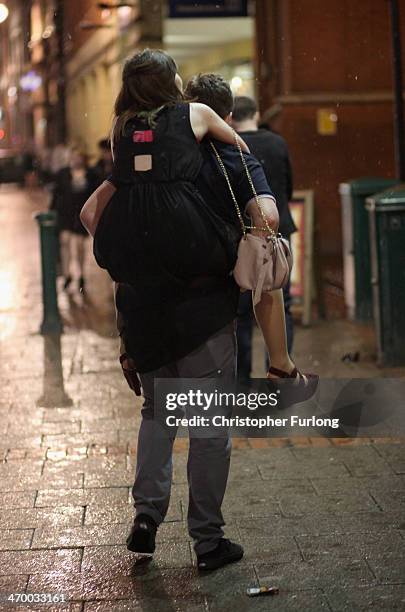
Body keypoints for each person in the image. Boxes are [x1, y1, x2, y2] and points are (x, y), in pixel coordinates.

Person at [232, 96, 297, 381]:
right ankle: (279, 366)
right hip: (277, 233)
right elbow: (289, 185)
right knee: (281, 300)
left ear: (231, 116)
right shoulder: (277, 143)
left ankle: (243, 376)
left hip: (245, 237)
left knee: (242, 309)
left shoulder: (229, 147)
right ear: (256, 114)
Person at [51, 149, 98, 292]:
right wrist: (52, 210)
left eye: (79, 157)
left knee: (79, 247)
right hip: (66, 214)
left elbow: (95, 194)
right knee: (64, 242)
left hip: (80, 216)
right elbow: (57, 193)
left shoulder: (91, 175)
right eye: (74, 156)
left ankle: (81, 275)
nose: (76, 159)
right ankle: (67, 275)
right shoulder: (63, 173)